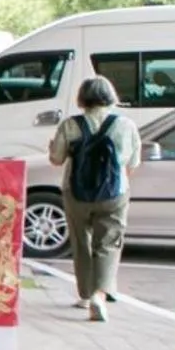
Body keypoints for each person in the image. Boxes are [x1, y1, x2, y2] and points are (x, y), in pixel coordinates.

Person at [47, 75, 142, 322]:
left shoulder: (70, 125)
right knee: (108, 243)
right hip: (115, 193)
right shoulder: (125, 125)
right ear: (111, 96)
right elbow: (133, 163)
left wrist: (53, 148)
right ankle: (100, 294)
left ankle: (86, 295)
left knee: (81, 242)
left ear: (82, 98)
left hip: (75, 193)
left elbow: (57, 159)